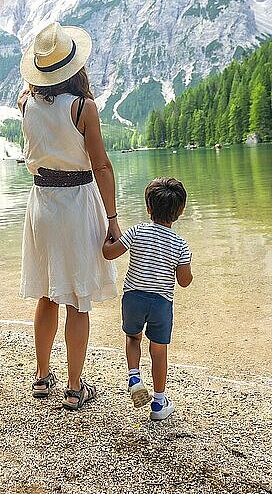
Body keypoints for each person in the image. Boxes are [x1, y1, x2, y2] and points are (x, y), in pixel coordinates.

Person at [18, 21, 120, 410]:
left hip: (42, 204)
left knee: (47, 292)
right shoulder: (83, 107)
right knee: (78, 298)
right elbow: (103, 167)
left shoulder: (25, 103)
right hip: (77, 202)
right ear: (74, 66)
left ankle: (42, 378)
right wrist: (112, 220)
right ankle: (75, 388)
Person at [102, 177, 193, 420]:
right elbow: (184, 281)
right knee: (158, 349)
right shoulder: (181, 245)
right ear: (180, 211)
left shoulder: (136, 232)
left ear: (148, 208)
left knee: (133, 337)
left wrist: (107, 238)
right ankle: (159, 404)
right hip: (161, 303)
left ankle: (134, 377)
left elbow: (109, 254)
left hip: (133, 298)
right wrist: (187, 268)